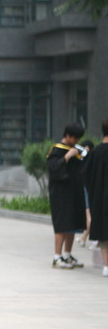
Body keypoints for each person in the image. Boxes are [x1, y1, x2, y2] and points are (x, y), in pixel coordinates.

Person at [47, 123, 87, 269]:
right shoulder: (57, 150)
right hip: (61, 193)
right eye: (74, 138)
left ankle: (67, 254)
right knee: (62, 224)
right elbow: (53, 168)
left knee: (72, 223)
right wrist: (66, 157)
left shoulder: (76, 149)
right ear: (67, 135)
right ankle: (57, 257)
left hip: (74, 192)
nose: (76, 141)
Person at [84, 118, 108, 277]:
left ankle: (106, 266)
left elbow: (86, 176)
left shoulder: (95, 153)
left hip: (99, 199)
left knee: (104, 234)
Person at [77, 140, 95, 248]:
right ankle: (83, 238)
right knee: (89, 214)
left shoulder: (86, 160)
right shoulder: (94, 159)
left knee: (89, 215)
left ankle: (94, 241)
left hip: (87, 188)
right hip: (92, 189)